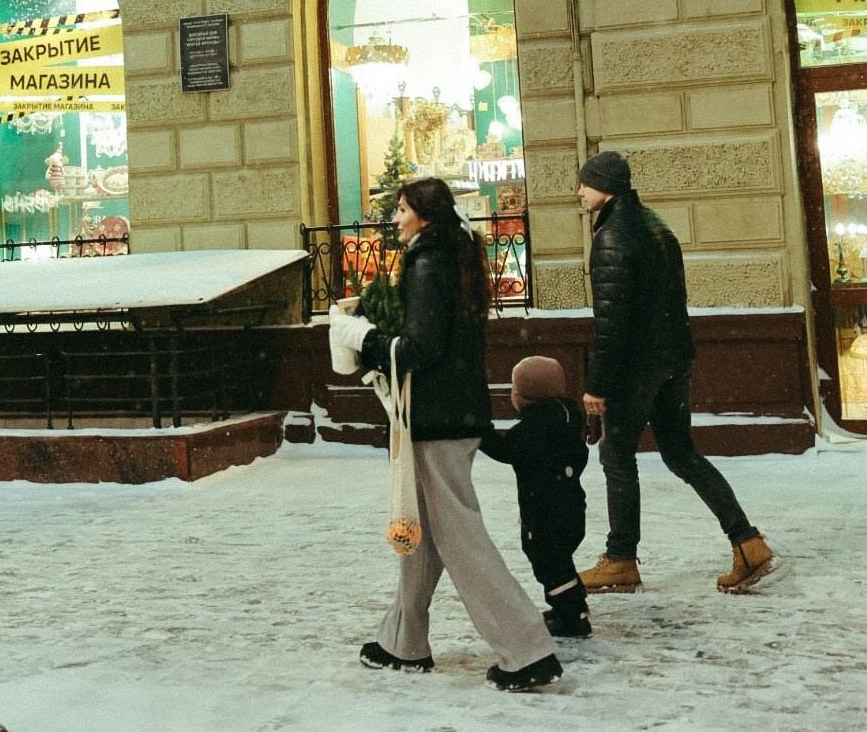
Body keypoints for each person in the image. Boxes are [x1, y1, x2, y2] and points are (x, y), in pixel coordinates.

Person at [331, 177, 562, 692]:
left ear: (425, 215)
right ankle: (401, 642)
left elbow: (422, 347)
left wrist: (363, 338)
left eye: (402, 209)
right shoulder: (450, 255)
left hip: (438, 418)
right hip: (450, 414)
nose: (395, 218)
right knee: (424, 534)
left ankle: (527, 649)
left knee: (460, 538)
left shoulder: (428, 262)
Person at [575, 151, 777, 595]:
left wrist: (597, 385)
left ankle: (621, 559)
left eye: (585, 184)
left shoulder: (612, 236)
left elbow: (611, 320)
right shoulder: (656, 225)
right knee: (682, 454)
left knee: (616, 457)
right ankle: (748, 543)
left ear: (604, 185)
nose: (580, 192)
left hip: (635, 369)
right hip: (672, 361)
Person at [480, 355, 591, 637]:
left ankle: (573, 618)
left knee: (549, 565)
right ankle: (570, 605)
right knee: (560, 561)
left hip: (543, 515)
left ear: (523, 398)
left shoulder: (531, 430)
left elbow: (505, 450)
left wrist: (481, 432)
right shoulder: (568, 419)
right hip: (572, 509)